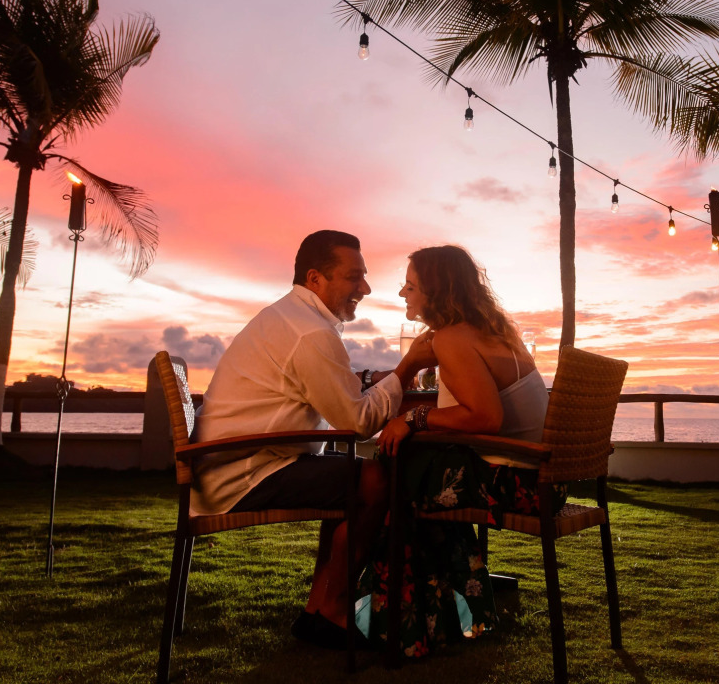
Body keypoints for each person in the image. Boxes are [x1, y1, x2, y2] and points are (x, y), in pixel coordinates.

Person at [193, 230, 432, 649]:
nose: (366, 288)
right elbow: (358, 422)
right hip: (242, 472)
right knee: (375, 480)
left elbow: (321, 384)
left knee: (348, 478)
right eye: (354, 277)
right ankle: (333, 610)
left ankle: (317, 611)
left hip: (228, 463)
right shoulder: (310, 332)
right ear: (315, 278)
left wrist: (368, 379)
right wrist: (407, 367)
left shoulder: (289, 318)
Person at [358, 244, 561, 658]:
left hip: (515, 484)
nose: (402, 293)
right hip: (542, 481)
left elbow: (485, 417)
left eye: (411, 285)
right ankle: (453, 613)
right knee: (410, 469)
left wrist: (412, 419)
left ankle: (404, 625)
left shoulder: (452, 338)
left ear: (436, 290)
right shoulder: (490, 330)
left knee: (394, 474)